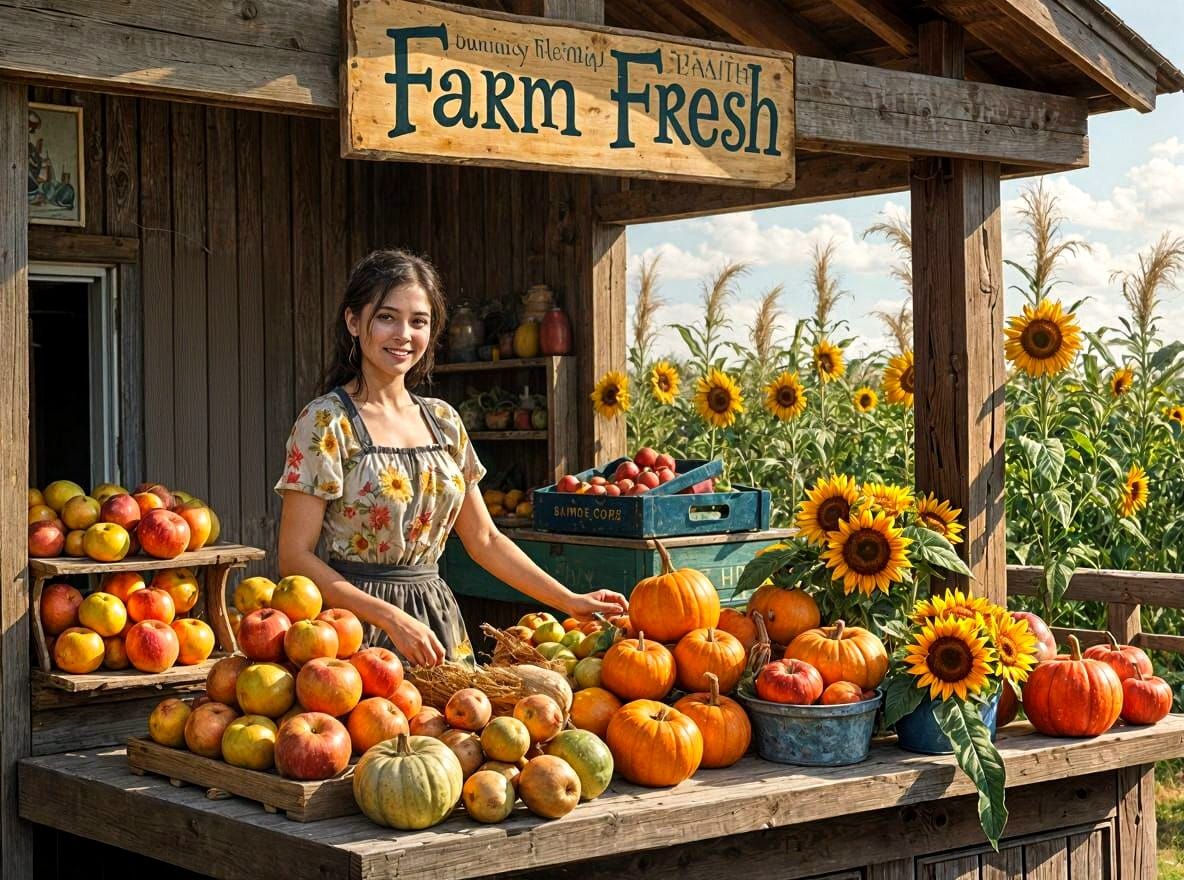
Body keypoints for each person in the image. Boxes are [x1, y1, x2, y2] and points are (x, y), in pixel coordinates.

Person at [275, 249, 628, 667]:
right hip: (354, 632)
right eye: (387, 317)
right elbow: (294, 557)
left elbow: (485, 540)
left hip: (436, 624)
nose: (404, 334)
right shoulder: (326, 422)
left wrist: (569, 600)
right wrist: (390, 618)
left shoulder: (443, 422)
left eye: (418, 321)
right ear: (353, 321)